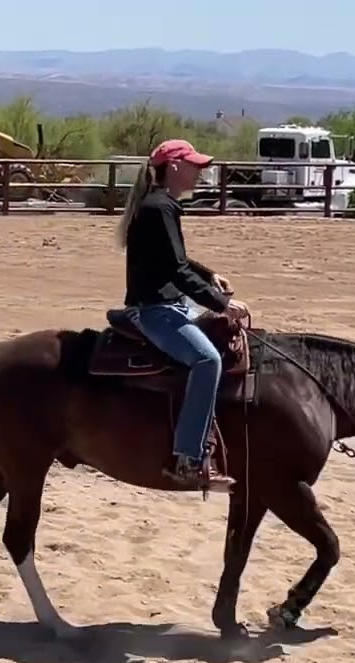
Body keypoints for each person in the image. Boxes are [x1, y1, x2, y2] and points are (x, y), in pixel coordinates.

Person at [116, 138, 248, 491]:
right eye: (194, 165)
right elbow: (175, 270)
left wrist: (209, 275)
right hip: (156, 310)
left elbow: (174, 260)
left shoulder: (160, 206)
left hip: (169, 304)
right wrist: (221, 303)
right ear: (174, 167)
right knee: (208, 361)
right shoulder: (160, 208)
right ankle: (187, 457)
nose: (200, 171)